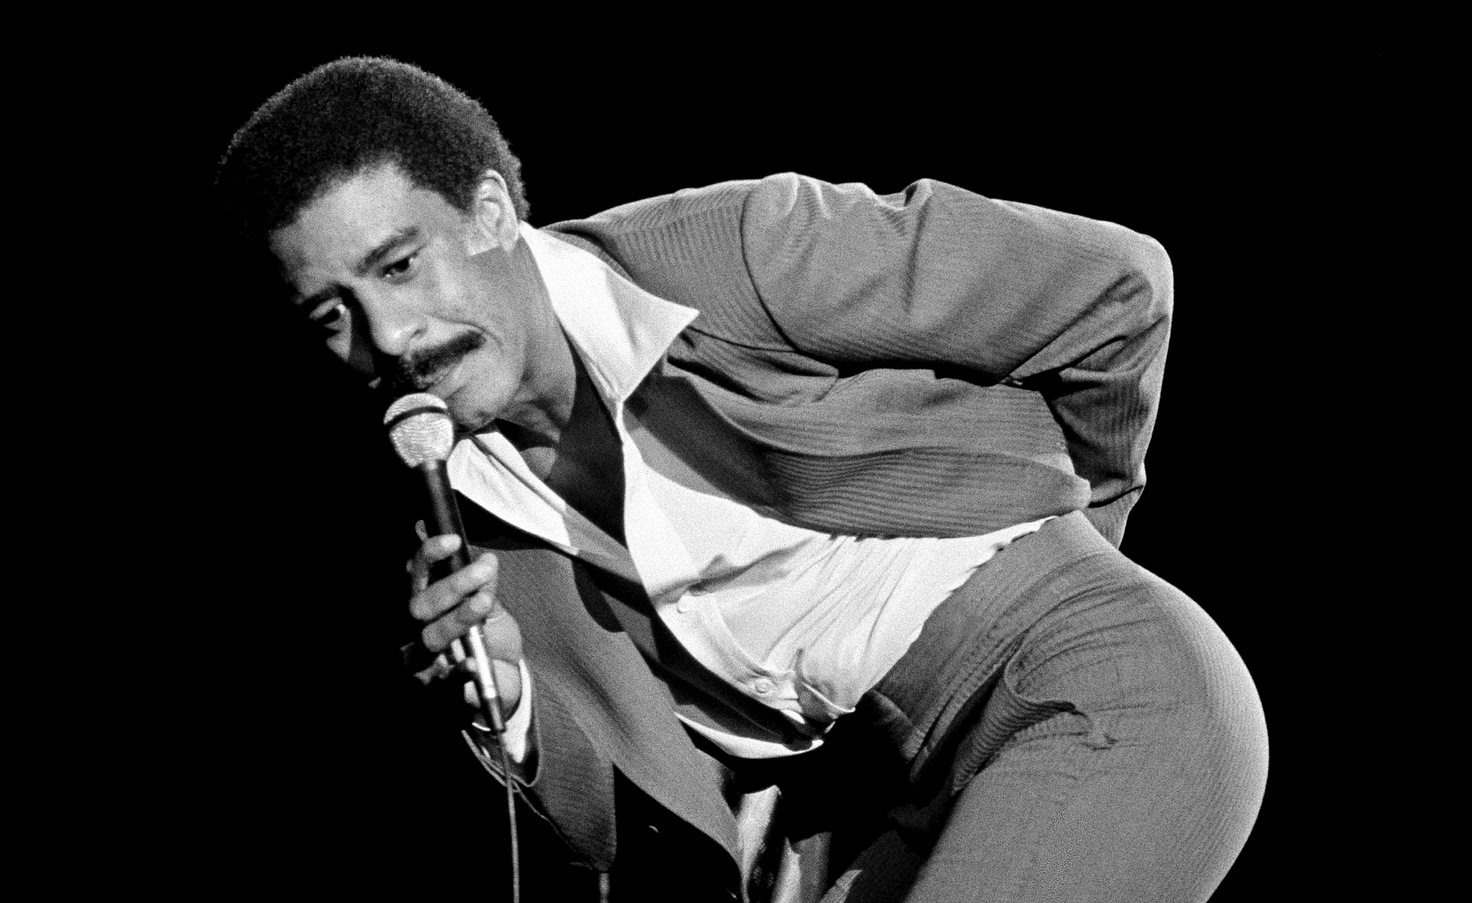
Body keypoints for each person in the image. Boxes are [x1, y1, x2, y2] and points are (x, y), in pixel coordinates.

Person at [215, 56, 1268, 902]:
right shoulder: (458, 514)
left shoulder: (732, 257)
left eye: (400, 266)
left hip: (1079, 687)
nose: (389, 337)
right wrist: (510, 698)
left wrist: (1081, 531)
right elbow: (601, 828)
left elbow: (1115, 290)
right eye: (333, 314)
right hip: (880, 805)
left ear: (489, 213)